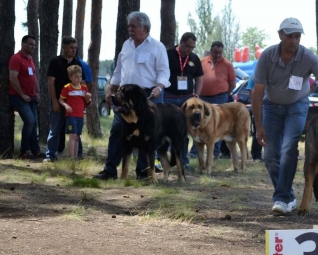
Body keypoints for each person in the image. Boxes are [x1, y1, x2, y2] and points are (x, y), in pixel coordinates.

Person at [251, 17, 318, 215]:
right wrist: (258, 125)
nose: (293, 40)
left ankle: (282, 198)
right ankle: (287, 194)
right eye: (289, 36)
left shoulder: (307, 56)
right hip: (271, 107)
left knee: (288, 148)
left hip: (297, 106)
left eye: (297, 36)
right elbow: (257, 92)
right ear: (280, 35)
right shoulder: (267, 56)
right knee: (269, 156)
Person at [94, 12, 170, 180]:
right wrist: (111, 88)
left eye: (133, 26)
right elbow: (119, 70)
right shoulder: (126, 45)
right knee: (116, 131)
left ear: (145, 28)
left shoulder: (157, 47)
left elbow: (164, 72)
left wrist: (160, 86)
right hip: (124, 97)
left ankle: (143, 172)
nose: (130, 29)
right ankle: (110, 170)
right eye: (129, 26)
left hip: (148, 96)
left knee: (147, 136)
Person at [190, 41, 235, 159]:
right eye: (216, 52)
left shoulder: (228, 64)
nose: (218, 55)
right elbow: (196, 77)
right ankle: (195, 153)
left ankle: (215, 152)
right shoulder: (202, 61)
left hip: (220, 98)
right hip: (202, 98)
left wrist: (225, 93)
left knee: (217, 125)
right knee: (198, 124)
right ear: (211, 51)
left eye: (220, 52)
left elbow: (232, 83)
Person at [164, 32, 203, 166]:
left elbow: (199, 78)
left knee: (184, 131)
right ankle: (164, 159)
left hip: (187, 100)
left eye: (192, 47)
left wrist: (196, 93)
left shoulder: (194, 59)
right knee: (165, 130)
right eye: (187, 46)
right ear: (180, 41)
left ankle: (183, 160)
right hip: (168, 97)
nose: (190, 50)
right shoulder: (167, 55)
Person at [44, 36, 84, 162]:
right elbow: (51, 83)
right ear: (64, 47)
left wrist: (84, 99)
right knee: (55, 129)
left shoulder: (76, 63)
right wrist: (55, 102)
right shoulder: (55, 62)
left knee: (76, 131)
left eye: (75, 48)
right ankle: (50, 155)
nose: (74, 50)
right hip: (59, 101)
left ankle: (77, 155)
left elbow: (81, 82)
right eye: (71, 48)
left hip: (74, 104)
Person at [9, 35, 45, 159]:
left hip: (32, 97)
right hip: (19, 97)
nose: (33, 47)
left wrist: (38, 91)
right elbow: (13, 78)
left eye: (34, 45)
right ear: (23, 44)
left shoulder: (30, 59)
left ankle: (35, 151)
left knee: (34, 123)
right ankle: (24, 151)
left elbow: (33, 76)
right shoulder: (16, 58)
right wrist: (22, 94)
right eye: (30, 44)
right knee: (29, 121)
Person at [57, 53, 93, 158]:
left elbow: (87, 103)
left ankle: (76, 157)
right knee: (72, 135)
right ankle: (71, 158)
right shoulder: (67, 87)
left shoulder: (84, 88)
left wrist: (88, 98)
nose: (79, 78)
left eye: (80, 76)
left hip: (80, 115)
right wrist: (66, 106)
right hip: (71, 115)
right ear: (70, 77)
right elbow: (60, 99)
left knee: (77, 136)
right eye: (76, 77)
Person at [246, 76, 262, 162]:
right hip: (259, 107)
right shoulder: (254, 76)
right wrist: (257, 103)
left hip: (272, 107)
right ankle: (256, 155)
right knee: (257, 131)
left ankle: (271, 156)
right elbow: (250, 91)